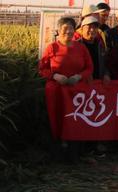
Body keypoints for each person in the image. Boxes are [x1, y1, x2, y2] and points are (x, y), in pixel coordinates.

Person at [39, 17, 93, 147]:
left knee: (75, 117)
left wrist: (79, 77)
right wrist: (55, 76)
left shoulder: (81, 48)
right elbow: (42, 69)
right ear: (58, 30)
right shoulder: (52, 48)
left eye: (71, 28)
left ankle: (76, 142)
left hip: (76, 89)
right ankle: (58, 140)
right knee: (58, 115)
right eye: (65, 28)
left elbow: (89, 67)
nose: (68, 31)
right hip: (57, 89)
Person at [75, 16, 107, 80]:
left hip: (99, 83)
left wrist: (106, 74)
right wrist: (83, 75)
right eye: (89, 27)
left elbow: (106, 63)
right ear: (82, 29)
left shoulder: (101, 45)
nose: (92, 30)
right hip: (81, 83)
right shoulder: (75, 46)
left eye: (95, 27)